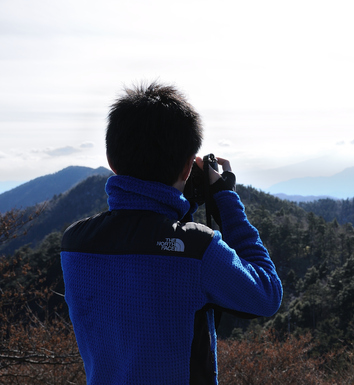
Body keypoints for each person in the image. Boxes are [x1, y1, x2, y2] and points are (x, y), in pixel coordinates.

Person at [60, 81, 283, 384]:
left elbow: (152, 269)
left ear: (111, 162)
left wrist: (181, 205)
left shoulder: (74, 243)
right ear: (186, 169)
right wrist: (226, 199)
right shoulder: (197, 249)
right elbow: (266, 294)